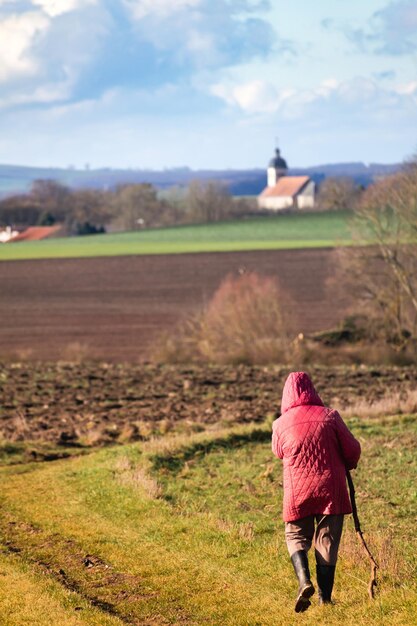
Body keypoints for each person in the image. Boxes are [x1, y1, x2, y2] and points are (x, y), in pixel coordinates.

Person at [272, 371, 361, 613]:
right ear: (312, 390)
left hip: (297, 492)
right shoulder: (330, 416)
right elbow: (352, 449)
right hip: (330, 489)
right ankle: (324, 599)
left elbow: (278, 452)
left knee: (295, 536)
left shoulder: (280, 424)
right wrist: (347, 462)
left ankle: (304, 581)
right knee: (327, 540)